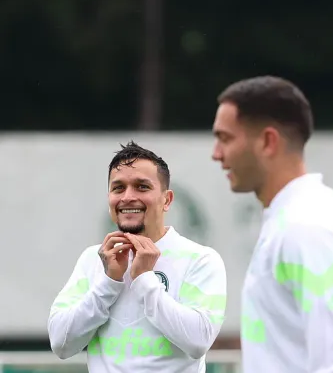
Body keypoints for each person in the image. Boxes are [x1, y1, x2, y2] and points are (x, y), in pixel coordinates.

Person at [211, 75, 333, 372]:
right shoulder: (300, 213)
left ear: (268, 141)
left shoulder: (305, 224)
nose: (216, 154)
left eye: (225, 138)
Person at [48, 141, 228, 373]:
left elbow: (198, 341)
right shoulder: (93, 259)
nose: (128, 197)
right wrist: (108, 283)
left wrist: (144, 279)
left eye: (142, 187)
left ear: (167, 199)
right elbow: (61, 344)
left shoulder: (200, 259)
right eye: (118, 188)